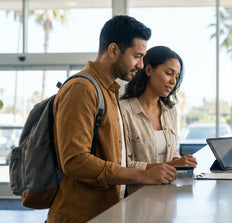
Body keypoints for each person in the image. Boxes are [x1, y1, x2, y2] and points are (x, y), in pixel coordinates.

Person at [49, 16, 177, 223]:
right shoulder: (82, 89)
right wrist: (143, 176)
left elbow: (115, 159)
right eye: (137, 56)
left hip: (107, 212)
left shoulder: (109, 91)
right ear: (114, 50)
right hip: (81, 215)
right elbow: (75, 161)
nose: (141, 65)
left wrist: (153, 169)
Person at [120, 46, 197, 194]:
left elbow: (173, 153)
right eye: (169, 73)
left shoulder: (170, 111)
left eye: (176, 76)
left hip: (168, 195)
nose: (173, 81)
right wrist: (172, 165)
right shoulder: (123, 110)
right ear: (148, 70)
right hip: (137, 197)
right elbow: (123, 165)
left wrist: (182, 162)